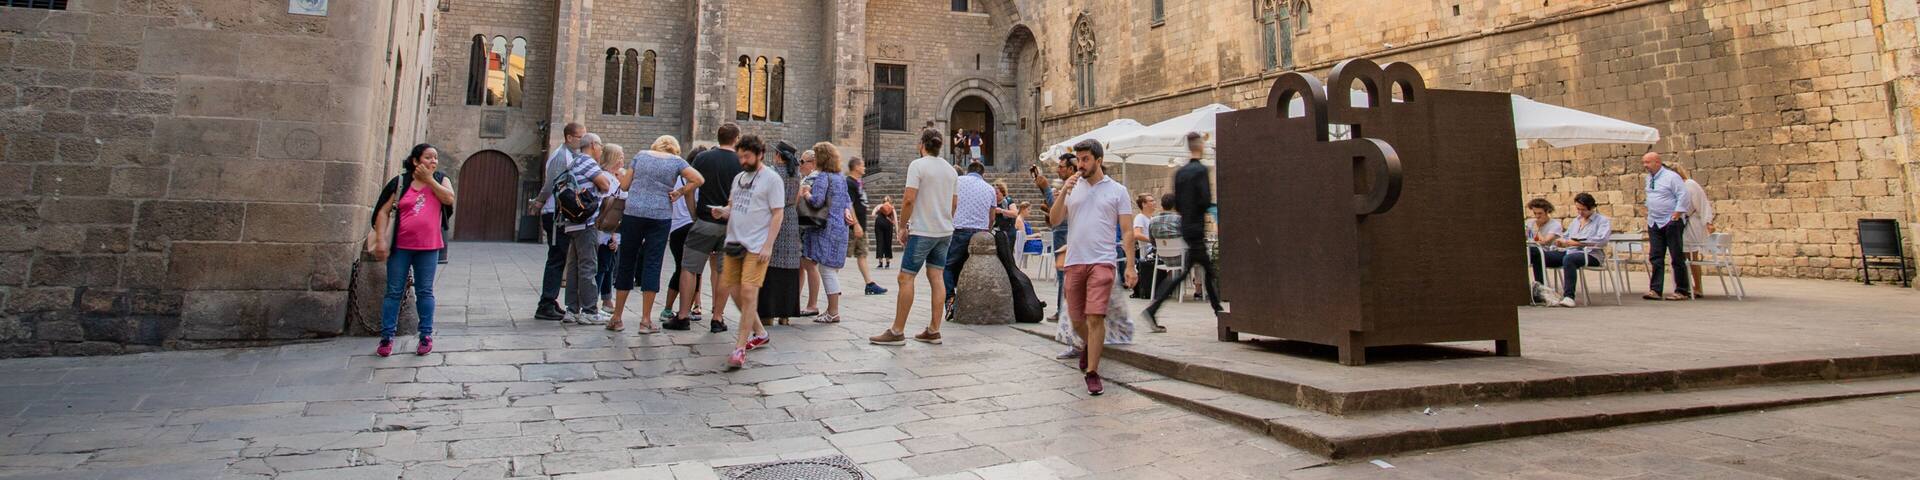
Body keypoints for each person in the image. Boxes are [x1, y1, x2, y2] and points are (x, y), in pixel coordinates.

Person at [1049, 139, 1137, 395]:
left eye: (1086, 159)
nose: (1081, 165)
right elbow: (1054, 220)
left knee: (1095, 317)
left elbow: (1128, 231)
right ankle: (1091, 346)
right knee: (1077, 320)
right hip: (1075, 261)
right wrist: (1063, 192)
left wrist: (1130, 266)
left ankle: (1092, 373)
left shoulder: (1117, 191)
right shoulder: (1072, 188)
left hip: (1102, 261)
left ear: (1099, 160)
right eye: (1079, 159)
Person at [871, 128, 958, 346]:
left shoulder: (917, 165)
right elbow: (954, 203)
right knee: (936, 277)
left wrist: (902, 227)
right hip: (944, 231)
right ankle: (934, 330)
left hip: (923, 230)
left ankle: (897, 331)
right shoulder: (951, 170)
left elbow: (909, 199)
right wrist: (944, 219)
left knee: (905, 277)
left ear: (922, 145)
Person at [610, 136, 702, 333]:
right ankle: (645, 321)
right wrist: (680, 191)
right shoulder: (677, 162)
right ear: (674, 149)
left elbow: (624, 186)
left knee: (627, 262)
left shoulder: (640, 156)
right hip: (660, 215)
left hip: (633, 213)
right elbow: (698, 179)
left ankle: (617, 318)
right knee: (652, 264)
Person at [369, 143, 455, 357]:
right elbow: (383, 212)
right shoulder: (400, 182)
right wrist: (380, 239)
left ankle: (425, 335)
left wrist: (429, 180)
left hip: (429, 247)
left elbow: (449, 199)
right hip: (400, 247)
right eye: (428, 157)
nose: (433, 161)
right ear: (416, 161)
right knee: (393, 292)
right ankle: (387, 337)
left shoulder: (441, 179)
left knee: (425, 291)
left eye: (435, 158)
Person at [1142, 132, 1223, 327]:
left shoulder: (1180, 173)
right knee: (1198, 272)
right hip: (1196, 227)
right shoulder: (1200, 170)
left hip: (1186, 226)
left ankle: (1217, 309)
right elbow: (1204, 200)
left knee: (1198, 270)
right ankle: (1153, 309)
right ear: (1199, 146)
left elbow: (1177, 203)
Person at [673, 123, 746, 332]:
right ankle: (717, 317)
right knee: (724, 271)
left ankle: (683, 315)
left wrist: (693, 214)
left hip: (704, 221)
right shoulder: (741, 161)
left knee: (689, 268)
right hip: (730, 224)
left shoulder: (703, 158)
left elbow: (689, 187)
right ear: (736, 138)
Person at [720, 135, 784, 369]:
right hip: (734, 241)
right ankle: (760, 332)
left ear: (760, 154)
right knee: (735, 292)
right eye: (740, 157)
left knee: (748, 292)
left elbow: (777, 213)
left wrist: (768, 245)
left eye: (746, 156)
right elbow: (733, 205)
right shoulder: (739, 178)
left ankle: (739, 348)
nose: (743, 161)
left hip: (756, 245)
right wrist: (723, 211)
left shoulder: (772, 179)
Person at [530, 123, 586, 321]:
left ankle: (550, 300)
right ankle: (545, 304)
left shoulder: (570, 155)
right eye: (580, 137)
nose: (583, 141)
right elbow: (550, 184)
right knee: (556, 257)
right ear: (569, 137)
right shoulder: (561, 156)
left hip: (560, 213)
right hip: (555, 213)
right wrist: (539, 202)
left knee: (559, 257)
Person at [561, 134, 618, 325]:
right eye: (600, 146)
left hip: (572, 221)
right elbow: (605, 185)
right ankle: (589, 310)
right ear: (593, 145)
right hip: (586, 222)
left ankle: (571, 310)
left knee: (574, 267)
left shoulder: (573, 161)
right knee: (588, 266)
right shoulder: (587, 161)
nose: (601, 149)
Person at [802, 142, 854, 323]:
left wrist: (806, 193)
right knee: (831, 269)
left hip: (827, 228)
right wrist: (846, 211)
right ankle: (831, 310)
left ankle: (833, 312)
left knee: (827, 269)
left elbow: (817, 201)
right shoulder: (840, 177)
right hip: (840, 227)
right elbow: (847, 200)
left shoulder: (824, 177)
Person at [759, 142, 806, 326]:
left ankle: (768, 313)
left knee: (771, 264)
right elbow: (797, 198)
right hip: (791, 217)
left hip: (774, 217)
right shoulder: (797, 174)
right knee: (789, 264)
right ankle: (785, 314)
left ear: (778, 155)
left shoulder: (772, 173)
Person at [660, 146, 708, 325]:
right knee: (691, 271)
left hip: (675, 228)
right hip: (690, 226)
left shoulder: (676, 179)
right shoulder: (698, 182)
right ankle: (683, 309)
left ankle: (672, 308)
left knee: (681, 269)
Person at [1538, 193, 1612, 307]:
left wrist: (1577, 243)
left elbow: (1602, 240)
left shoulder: (1602, 220)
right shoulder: (1576, 221)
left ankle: (1569, 296)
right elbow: (1567, 236)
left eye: (1583, 210)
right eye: (1578, 209)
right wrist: (1561, 241)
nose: (1580, 212)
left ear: (1592, 207)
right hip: (1570, 251)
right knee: (1540, 255)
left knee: (1569, 259)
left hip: (1591, 254)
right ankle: (1540, 293)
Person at [943, 161, 997, 310]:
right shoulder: (990, 188)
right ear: (983, 174)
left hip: (959, 230)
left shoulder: (957, 181)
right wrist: (987, 231)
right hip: (981, 234)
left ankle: (950, 299)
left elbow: (949, 203)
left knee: (948, 265)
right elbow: (992, 217)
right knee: (974, 268)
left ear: (968, 171)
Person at [1641, 152, 1692, 301]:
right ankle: (1655, 289)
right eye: (1644, 162)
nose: (1645, 166)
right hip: (1654, 221)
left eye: (1648, 162)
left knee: (1676, 256)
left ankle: (1682, 290)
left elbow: (1683, 195)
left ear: (1657, 162)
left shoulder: (1671, 177)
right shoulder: (1649, 178)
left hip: (1671, 220)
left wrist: (1677, 213)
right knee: (1656, 256)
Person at [594, 143, 629, 317]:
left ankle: (605, 300)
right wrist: (613, 233)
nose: (622, 160)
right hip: (605, 230)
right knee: (602, 266)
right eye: (620, 156)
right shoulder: (607, 178)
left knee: (608, 265)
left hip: (610, 230)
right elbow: (608, 208)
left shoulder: (611, 177)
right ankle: (592, 303)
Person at [847, 156, 886, 295]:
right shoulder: (849, 182)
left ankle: (870, 284)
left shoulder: (858, 182)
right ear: (856, 167)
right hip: (852, 227)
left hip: (861, 226)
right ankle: (831, 284)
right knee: (840, 257)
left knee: (862, 254)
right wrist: (855, 224)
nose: (864, 167)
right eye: (862, 165)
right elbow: (848, 204)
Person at [1675, 164, 1715, 298]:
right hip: (1679, 222)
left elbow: (1702, 203)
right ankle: (1685, 286)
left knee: (1691, 256)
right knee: (1681, 256)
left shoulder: (1690, 184)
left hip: (1691, 222)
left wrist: (1708, 222)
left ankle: (1698, 286)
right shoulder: (1674, 187)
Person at [1523, 197, 1564, 301]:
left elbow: (1545, 241)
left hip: (1551, 253)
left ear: (1547, 212)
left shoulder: (1555, 225)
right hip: (1533, 252)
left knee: (1535, 252)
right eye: (1535, 213)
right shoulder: (1529, 222)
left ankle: (1540, 290)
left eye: (1540, 213)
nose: (1537, 216)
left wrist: (1537, 229)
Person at [1128, 193, 1158, 300]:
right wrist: (1153, 241)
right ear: (1144, 204)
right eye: (1151, 201)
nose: (1154, 203)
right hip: (1148, 250)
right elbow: (1137, 234)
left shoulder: (1152, 218)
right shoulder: (1140, 218)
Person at [873, 197, 897, 269]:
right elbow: (895, 221)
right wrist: (897, 232)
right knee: (888, 243)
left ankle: (880, 263)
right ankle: (887, 263)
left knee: (879, 242)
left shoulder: (879, 206)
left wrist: (878, 216)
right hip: (888, 224)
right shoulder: (892, 208)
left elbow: (873, 214)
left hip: (879, 222)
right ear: (890, 201)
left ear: (883, 201)